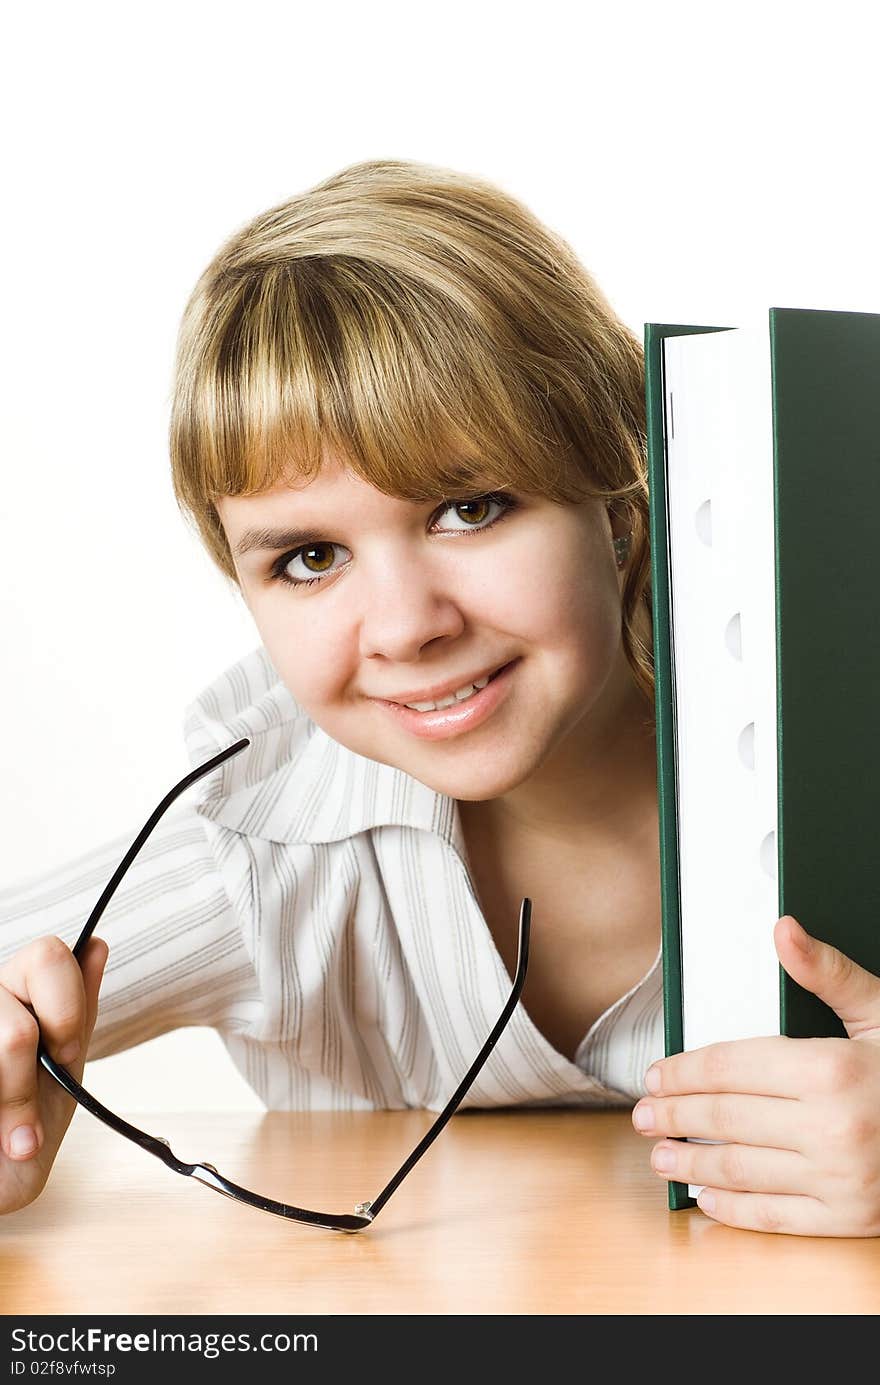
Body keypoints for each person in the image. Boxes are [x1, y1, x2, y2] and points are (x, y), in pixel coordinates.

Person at [2, 160, 879, 1236]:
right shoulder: (264, 860)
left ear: (617, 499)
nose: (407, 624)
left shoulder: (844, 742)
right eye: (311, 556)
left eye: (470, 507)